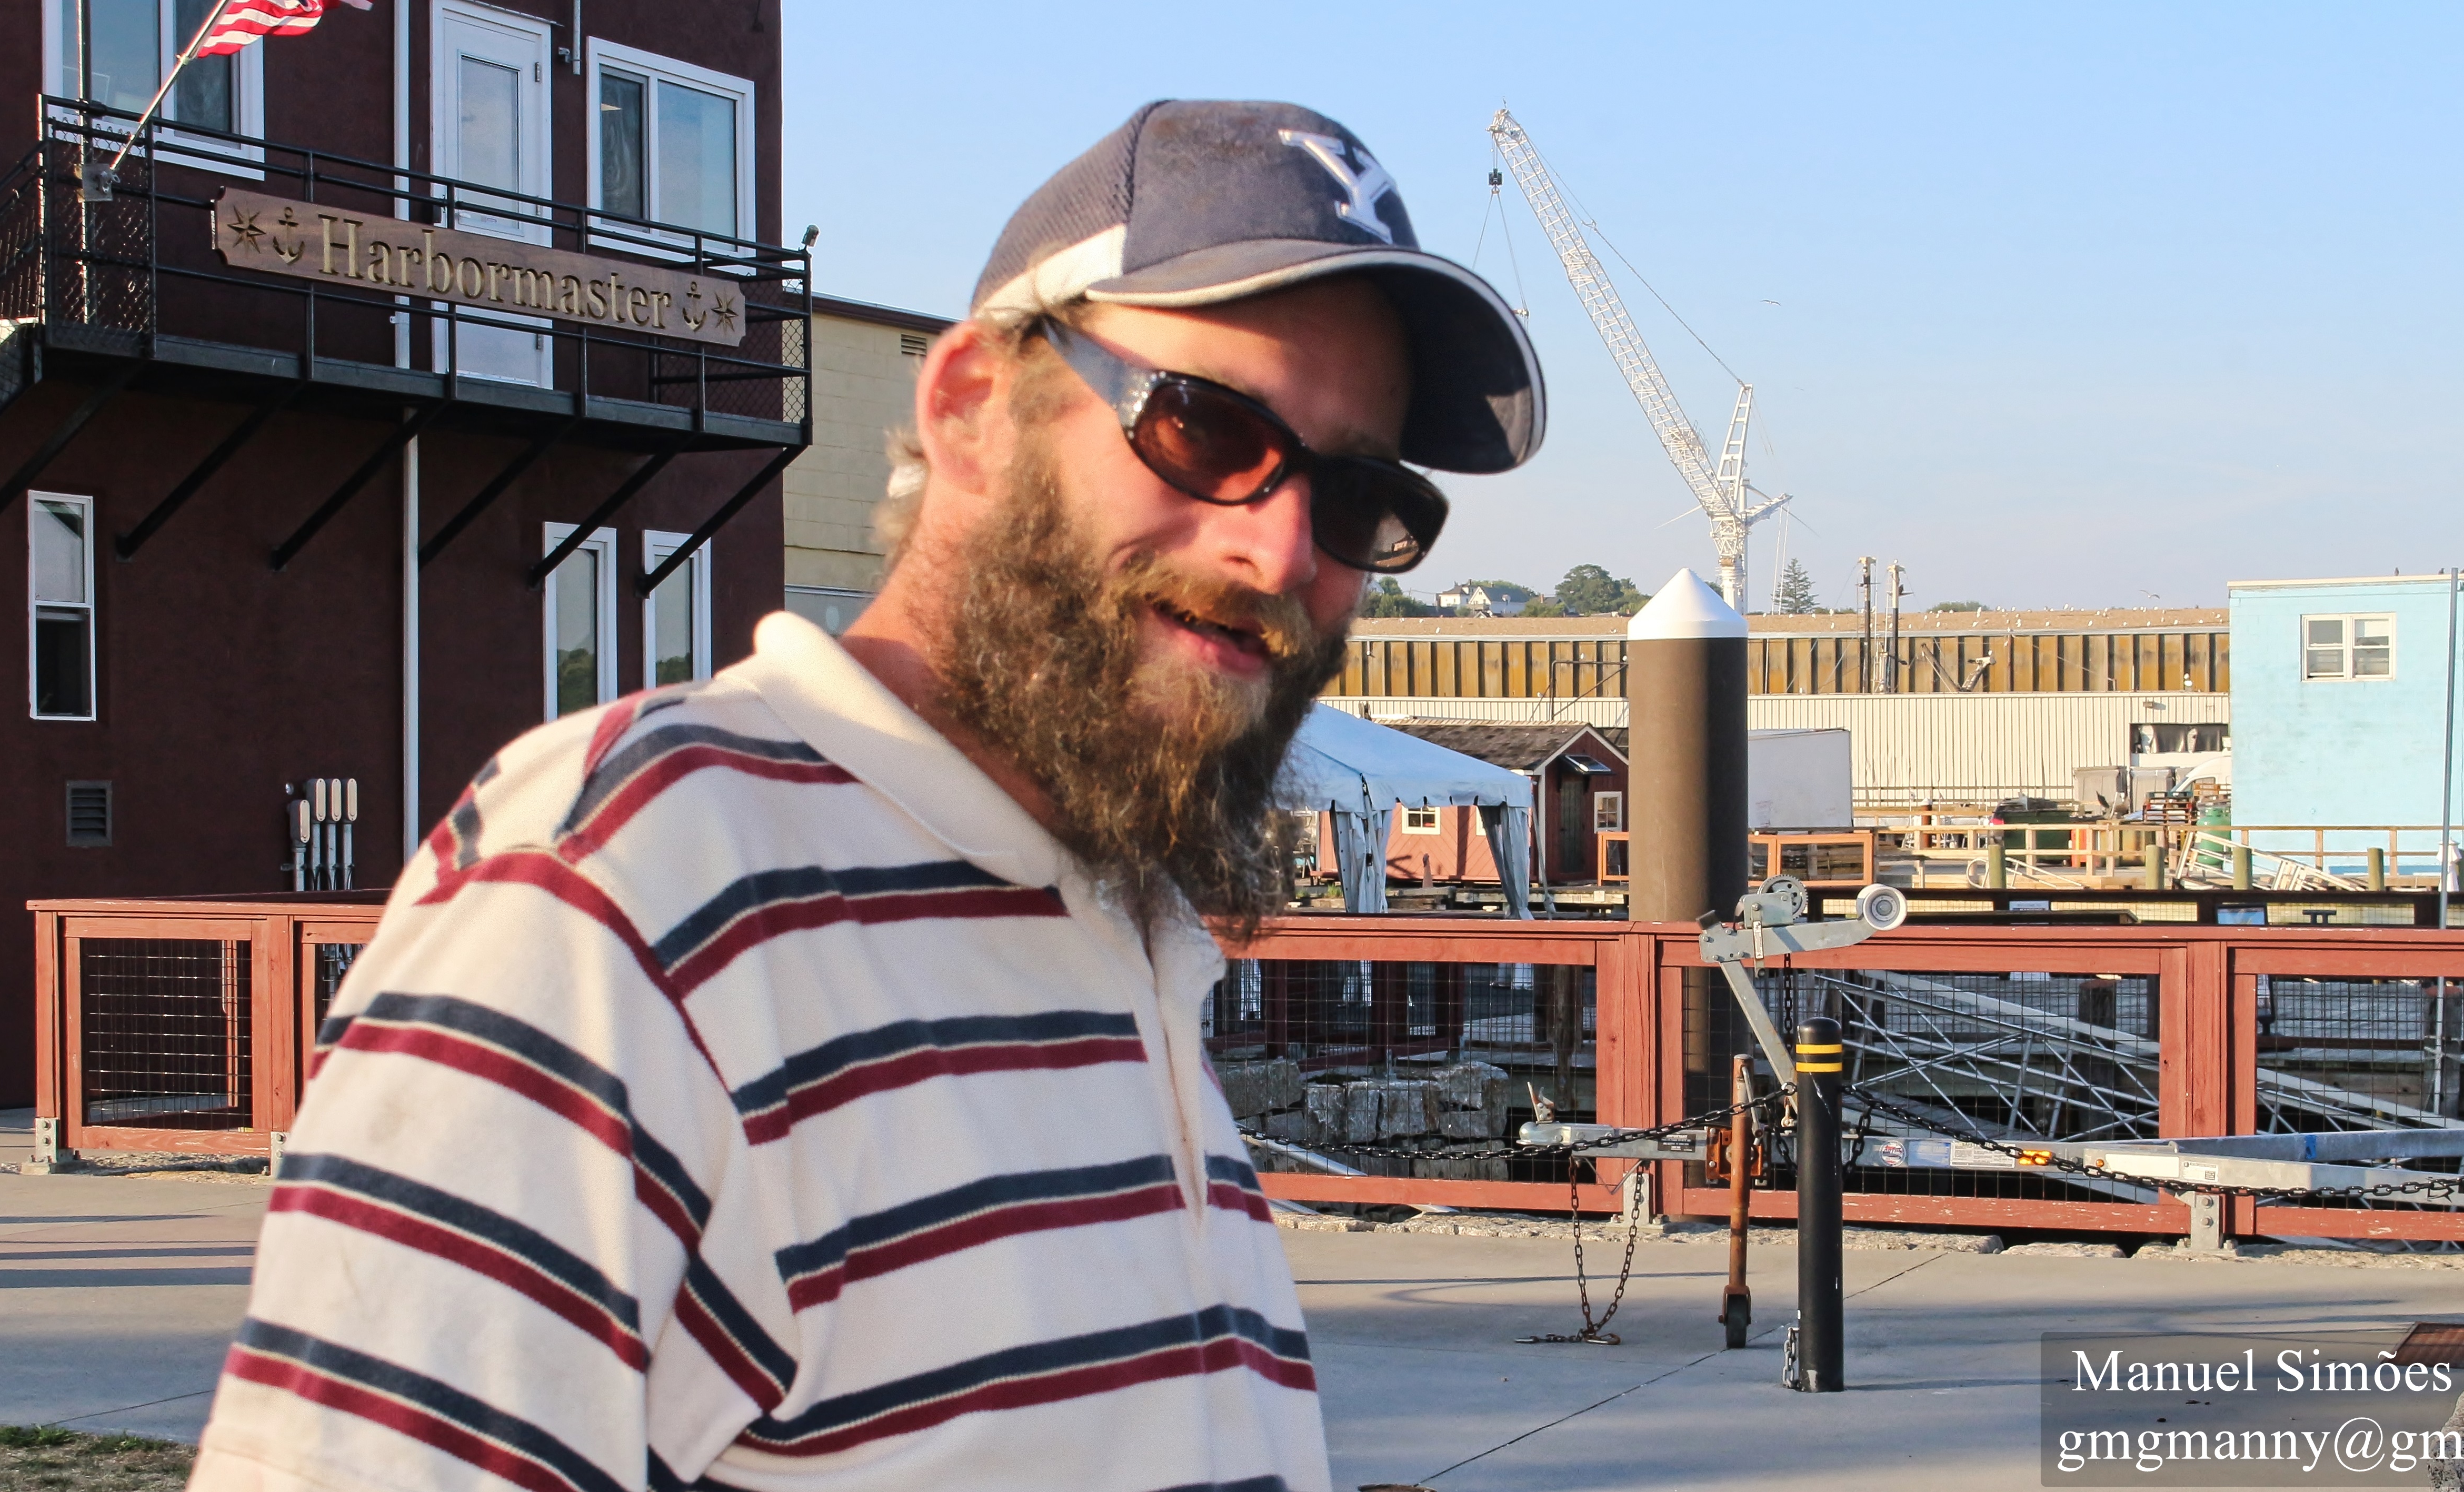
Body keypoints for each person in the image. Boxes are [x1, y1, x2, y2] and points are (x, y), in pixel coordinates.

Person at [187, 100, 1543, 1492]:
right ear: (970, 413)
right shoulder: (627, 884)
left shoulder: (1111, 913)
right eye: (1203, 428)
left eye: (1355, 496)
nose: (1280, 549)